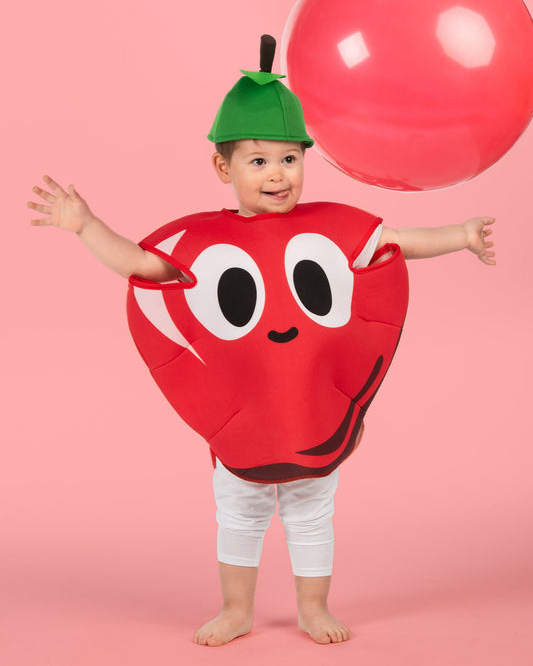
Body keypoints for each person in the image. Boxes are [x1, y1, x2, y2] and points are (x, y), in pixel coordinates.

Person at [26, 41, 495, 648]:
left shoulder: (328, 228)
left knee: (312, 512)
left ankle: (313, 608)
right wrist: (88, 228)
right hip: (242, 422)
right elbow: (141, 265)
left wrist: (460, 234)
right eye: (258, 161)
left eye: (289, 159)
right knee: (239, 515)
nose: (278, 174)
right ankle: (236, 610)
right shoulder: (203, 242)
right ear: (224, 168)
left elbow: (397, 242)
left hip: (313, 414)